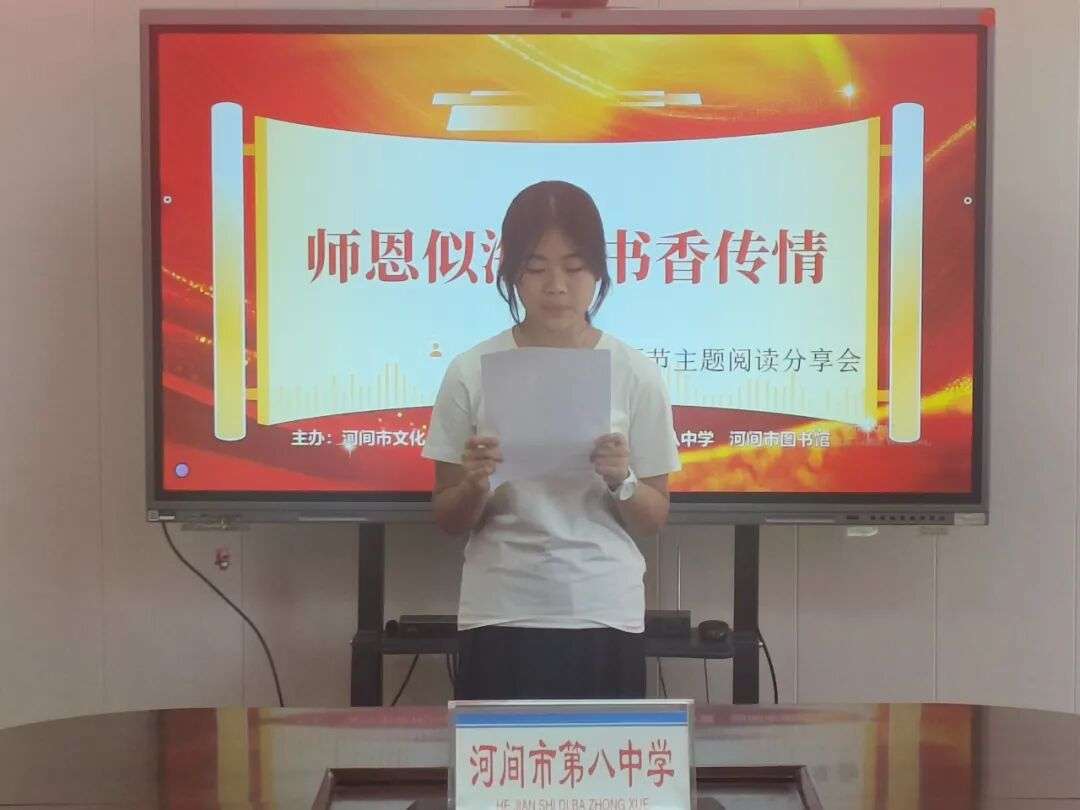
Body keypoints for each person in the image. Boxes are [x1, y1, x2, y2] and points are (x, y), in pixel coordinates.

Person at [421, 180, 681, 700]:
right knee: (500, 755)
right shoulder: (471, 369)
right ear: (511, 272)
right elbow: (448, 519)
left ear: (599, 270)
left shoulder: (635, 371)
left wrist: (623, 480)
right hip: (500, 609)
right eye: (536, 268)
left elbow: (654, 517)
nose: (556, 286)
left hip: (602, 608)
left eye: (574, 266)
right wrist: (475, 485)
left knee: (604, 755)